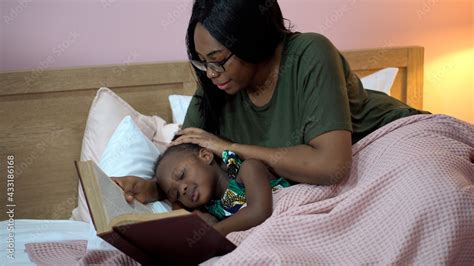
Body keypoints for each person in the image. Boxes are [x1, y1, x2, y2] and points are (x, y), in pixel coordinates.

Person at [114, 0, 427, 207]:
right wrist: (154, 188)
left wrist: (231, 146)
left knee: (433, 196)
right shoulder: (216, 85)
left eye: (218, 60)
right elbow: (188, 161)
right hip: (325, 182)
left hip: (394, 141)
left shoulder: (310, 53)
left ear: (251, 40)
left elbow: (333, 166)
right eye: (201, 62)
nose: (210, 73)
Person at [147, 143, 290, 236]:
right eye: (176, 194)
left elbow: (259, 211)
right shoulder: (210, 210)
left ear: (205, 156)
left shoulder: (248, 169)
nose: (182, 188)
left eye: (181, 175)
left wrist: (214, 231)